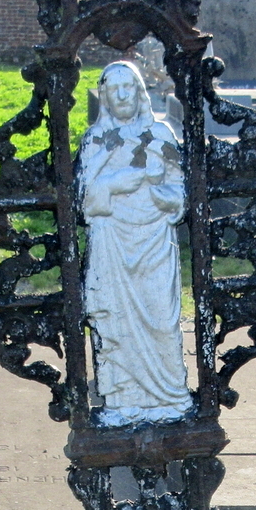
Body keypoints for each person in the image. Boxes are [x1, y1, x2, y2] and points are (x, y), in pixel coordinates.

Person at [78, 60, 193, 426]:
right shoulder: (95, 141)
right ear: (104, 97)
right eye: (114, 89)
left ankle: (170, 397)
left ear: (141, 92)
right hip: (112, 242)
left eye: (128, 87)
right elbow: (82, 201)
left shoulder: (159, 134)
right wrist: (111, 184)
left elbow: (181, 190)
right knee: (114, 321)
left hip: (155, 242)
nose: (123, 95)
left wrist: (163, 195)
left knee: (161, 319)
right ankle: (122, 401)